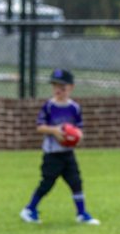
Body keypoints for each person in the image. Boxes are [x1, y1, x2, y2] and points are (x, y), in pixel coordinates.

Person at [19, 68, 99, 225]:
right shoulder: (49, 106)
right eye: (55, 86)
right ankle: (29, 209)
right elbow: (40, 127)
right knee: (47, 183)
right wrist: (55, 130)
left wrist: (77, 137)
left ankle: (81, 213)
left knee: (76, 182)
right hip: (52, 154)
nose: (58, 90)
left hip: (68, 153)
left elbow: (79, 129)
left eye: (62, 87)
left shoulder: (74, 107)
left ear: (71, 87)